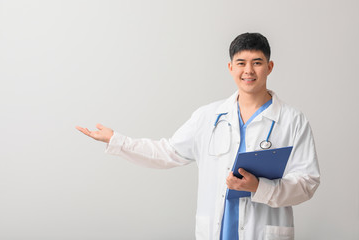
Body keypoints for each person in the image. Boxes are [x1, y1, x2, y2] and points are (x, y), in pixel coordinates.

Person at [76, 32, 320, 240]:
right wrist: (117, 140)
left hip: (263, 231)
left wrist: (260, 188)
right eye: (241, 63)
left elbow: (307, 183)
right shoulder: (208, 116)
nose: (248, 70)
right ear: (230, 67)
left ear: (269, 67)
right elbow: (167, 152)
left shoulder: (292, 120)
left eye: (257, 62)